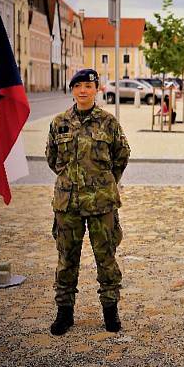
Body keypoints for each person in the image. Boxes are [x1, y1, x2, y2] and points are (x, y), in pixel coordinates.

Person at [46, 68, 131, 336]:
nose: (83, 90)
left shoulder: (108, 122)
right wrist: (70, 180)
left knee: (106, 258)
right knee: (66, 260)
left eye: (88, 86)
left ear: (97, 90)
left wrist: (105, 181)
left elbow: (122, 154)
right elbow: (52, 158)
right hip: (68, 204)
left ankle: (110, 311)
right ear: (72, 90)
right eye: (78, 86)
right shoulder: (59, 122)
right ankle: (64, 313)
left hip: (101, 204)